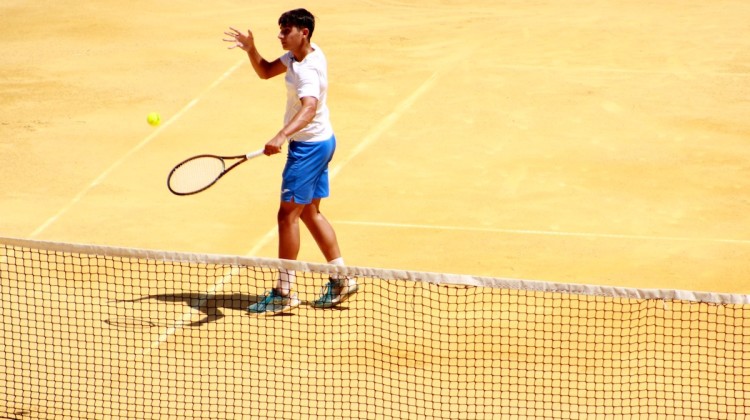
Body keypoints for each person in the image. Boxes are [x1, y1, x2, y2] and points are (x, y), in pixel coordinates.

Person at [224, 8, 357, 315]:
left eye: (286, 31)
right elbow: (266, 70)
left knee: (287, 216)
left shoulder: (307, 70)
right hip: (323, 140)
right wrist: (251, 49)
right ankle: (341, 277)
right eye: (280, 30)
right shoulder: (301, 56)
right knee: (309, 211)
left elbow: (309, 107)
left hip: (308, 148)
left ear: (304, 33)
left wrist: (282, 135)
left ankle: (284, 292)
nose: (281, 35)